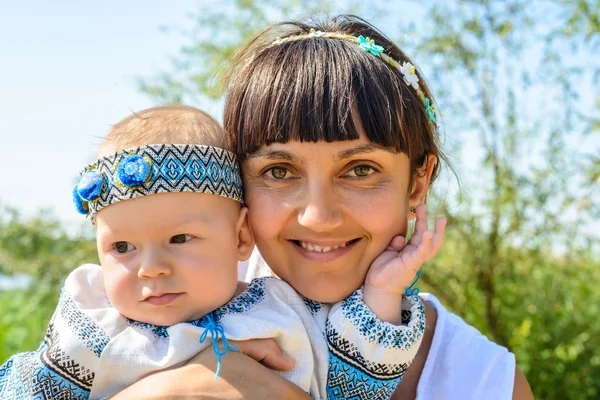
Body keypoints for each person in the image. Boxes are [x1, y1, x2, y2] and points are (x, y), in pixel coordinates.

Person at [113, 15, 534, 399]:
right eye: (279, 172)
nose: (318, 215)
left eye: (361, 169)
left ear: (418, 182)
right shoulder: (150, 299)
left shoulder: (485, 382)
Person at [0, 105, 442, 399]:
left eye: (179, 240)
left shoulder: (283, 308)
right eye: (121, 247)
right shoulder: (97, 326)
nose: (150, 269)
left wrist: (382, 293)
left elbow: (352, 389)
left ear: (240, 237)